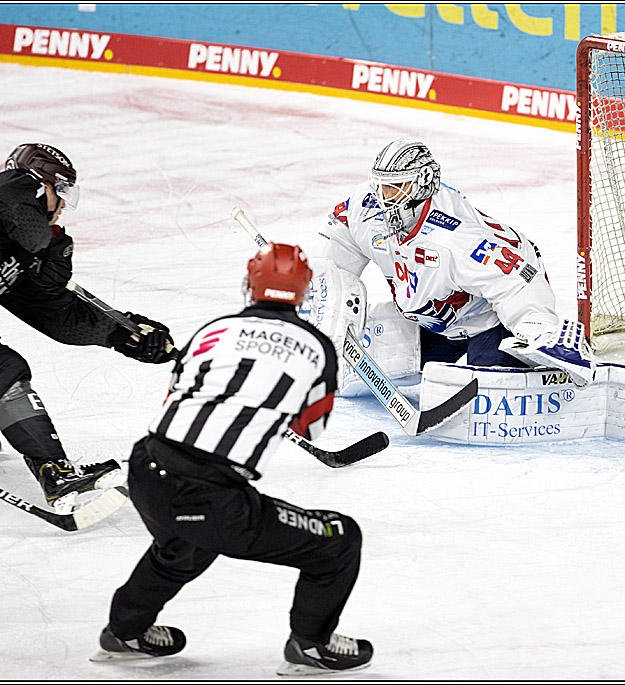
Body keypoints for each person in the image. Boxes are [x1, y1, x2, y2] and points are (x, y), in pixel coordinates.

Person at [91, 242, 372, 676]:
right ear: (301, 293)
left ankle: (125, 630)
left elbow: (174, 399)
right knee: (337, 540)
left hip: (146, 466)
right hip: (209, 496)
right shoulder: (317, 347)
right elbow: (310, 428)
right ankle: (311, 645)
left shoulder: (213, 330)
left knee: (183, 546)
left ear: (250, 285)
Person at [0, 143, 175, 512]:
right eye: (61, 191)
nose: (64, 205)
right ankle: (55, 472)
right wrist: (46, 243)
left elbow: (57, 316)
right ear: (39, 184)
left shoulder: (7, 243)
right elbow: (12, 195)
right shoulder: (6, 191)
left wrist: (123, 334)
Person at [310, 137, 596, 387]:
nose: (384, 198)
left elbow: (515, 277)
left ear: (422, 183)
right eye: (382, 187)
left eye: (396, 188)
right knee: (354, 365)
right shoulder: (366, 207)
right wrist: (324, 302)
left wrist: (539, 329)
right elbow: (337, 245)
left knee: (492, 390)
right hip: (434, 317)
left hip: (488, 317)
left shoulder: (456, 237)